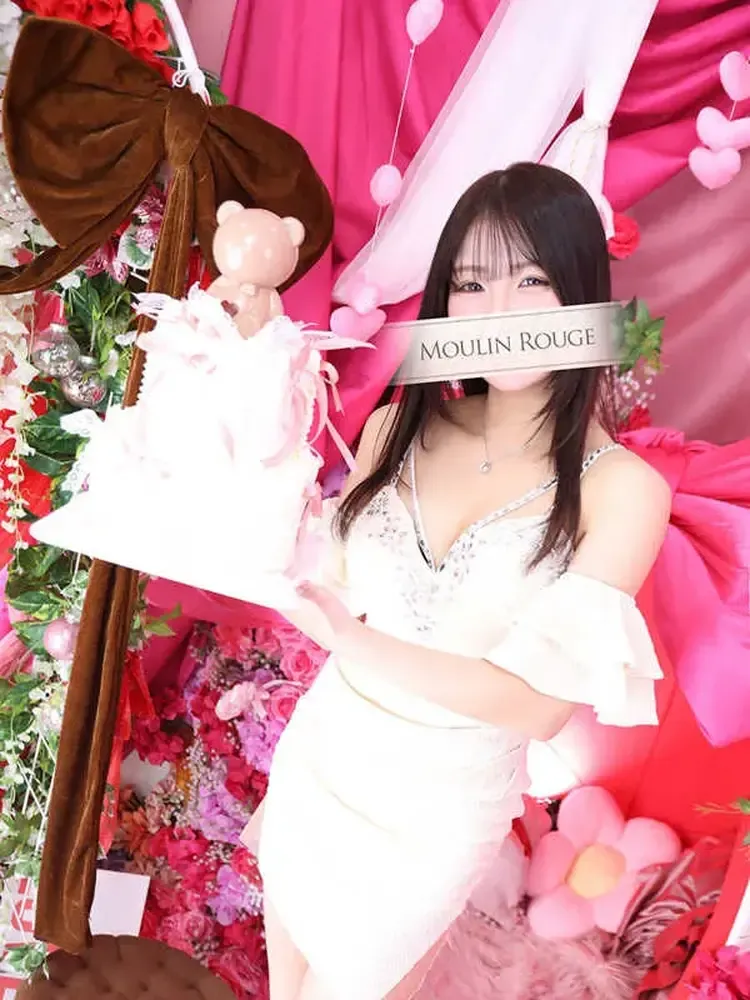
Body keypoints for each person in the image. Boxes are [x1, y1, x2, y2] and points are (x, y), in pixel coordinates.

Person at [250, 163, 671, 1000]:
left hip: (437, 808)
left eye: (531, 280)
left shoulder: (623, 489)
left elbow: (538, 704)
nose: (498, 311)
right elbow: (330, 579)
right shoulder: (392, 434)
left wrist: (354, 641)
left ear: (583, 295)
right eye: (472, 284)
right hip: (325, 757)